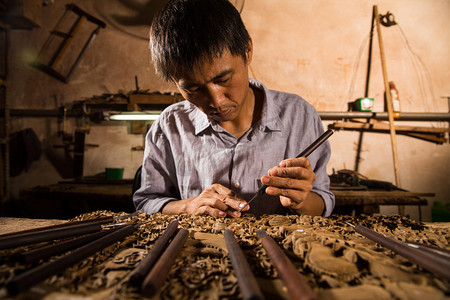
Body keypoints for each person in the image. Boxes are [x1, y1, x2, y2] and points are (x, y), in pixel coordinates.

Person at [133, 0, 335, 218]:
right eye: (193, 88)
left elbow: (323, 202)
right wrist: (189, 206)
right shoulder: (170, 125)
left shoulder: (299, 116)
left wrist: (301, 201)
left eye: (223, 79)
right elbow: (146, 202)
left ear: (247, 51)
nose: (217, 102)